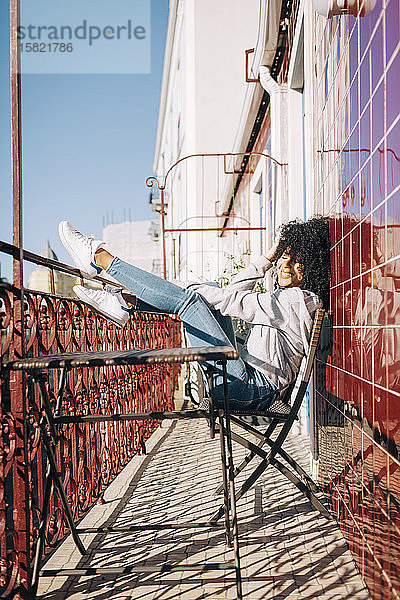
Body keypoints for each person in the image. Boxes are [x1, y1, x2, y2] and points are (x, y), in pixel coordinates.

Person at [59, 216, 331, 410]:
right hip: (243, 380)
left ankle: (102, 261)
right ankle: (126, 303)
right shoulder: (291, 298)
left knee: (191, 302)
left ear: (312, 270)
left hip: (251, 389)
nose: (287, 265)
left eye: (298, 262)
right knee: (210, 290)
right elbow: (231, 293)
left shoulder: (297, 301)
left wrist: (186, 290)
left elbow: (231, 302)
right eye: (286, 256)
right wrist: (267, 259)